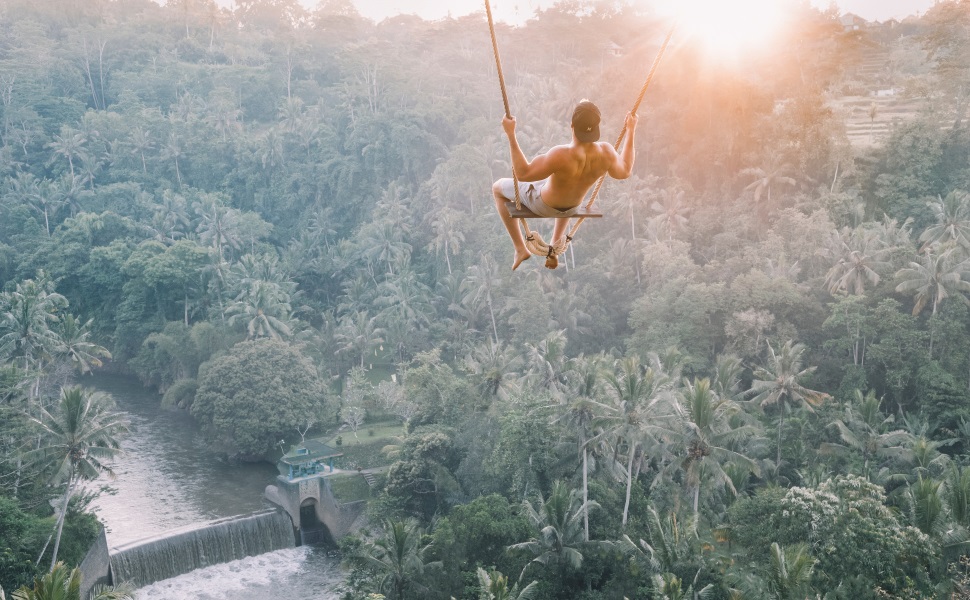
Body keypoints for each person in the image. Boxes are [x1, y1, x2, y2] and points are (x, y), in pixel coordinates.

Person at [492, 100, 637, 270]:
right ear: (596, 128)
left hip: (542, 205)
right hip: (572, 208)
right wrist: (631, 130)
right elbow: (625, 170)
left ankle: (519, 249)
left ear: (572, 126)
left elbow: (523, 174)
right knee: (559, 186)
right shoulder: (606, 152)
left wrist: (511, 134)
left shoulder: (561, 154)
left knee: (497, 188)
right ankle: (553, 250)